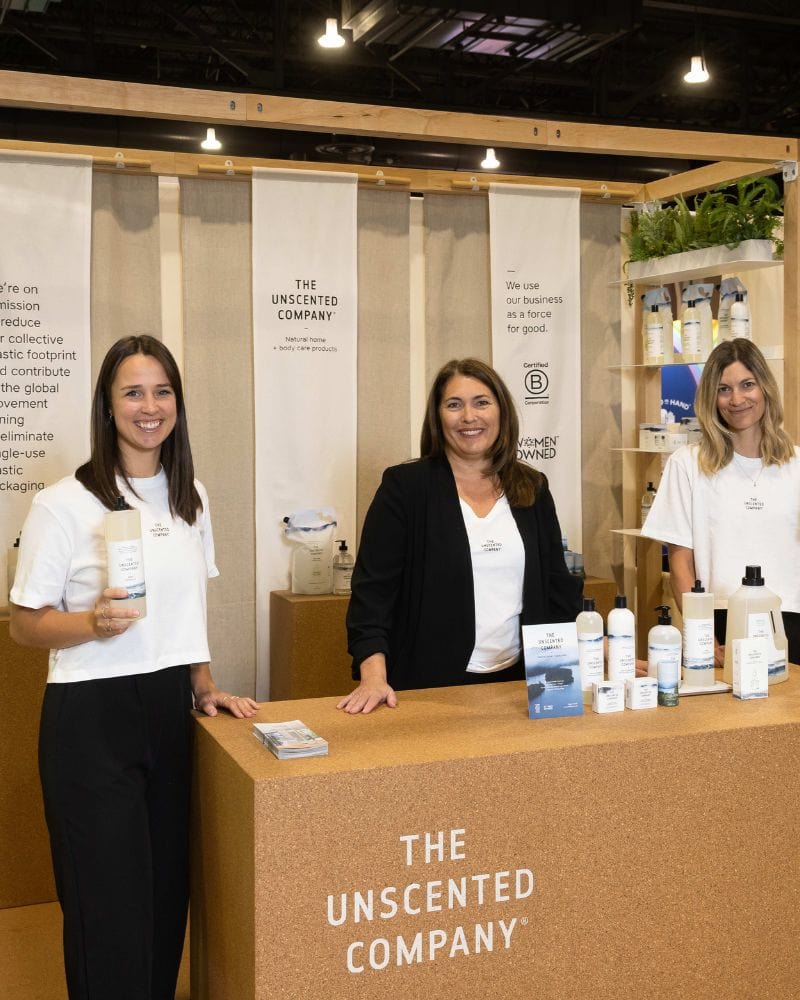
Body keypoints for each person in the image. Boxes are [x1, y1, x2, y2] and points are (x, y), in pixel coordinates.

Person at [9, 335, 258, 1000]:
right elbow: (25, 623)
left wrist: (203, 683)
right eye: (133, 391)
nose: (150, 406)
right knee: (108, 915)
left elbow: (191, 606)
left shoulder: (190, 497)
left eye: (162, 390)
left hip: (169, 710)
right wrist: (92, 622)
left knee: (162, 903)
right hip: (91, 718)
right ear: (108, 404)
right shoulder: (64, 503)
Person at [337, 357, 583, 714]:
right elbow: (373, 592)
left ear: (501, 411)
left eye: (481, 402)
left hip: (526, 681)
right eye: (454, 405)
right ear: (438, 417)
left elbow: (557, 586)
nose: (469, 417)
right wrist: (373, 676)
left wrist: (594, 646)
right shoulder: (406, 488)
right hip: (430, 683)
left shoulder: (532, 487)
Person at [641, 337, 800, 666]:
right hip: (722, 619)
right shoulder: (688, 464)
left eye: (747, 384)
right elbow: (681, 562)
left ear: (765, 388)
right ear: (710, 397)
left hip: (792, 620)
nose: (737, 399)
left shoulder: (795, 464)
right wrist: (703, 637)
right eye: (724, 389)